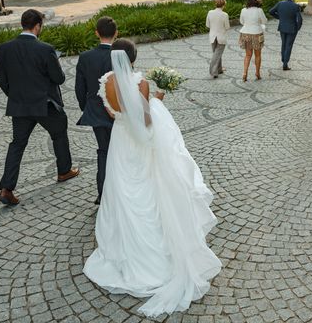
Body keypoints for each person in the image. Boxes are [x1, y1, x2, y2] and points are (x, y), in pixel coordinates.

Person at [84, 40, 222, 318]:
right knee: (148, 193)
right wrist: (157, 100)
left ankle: (123, 247)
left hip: (120, 144)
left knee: (123, 192)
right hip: (139, 146)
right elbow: (145, 121)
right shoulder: (139, 82)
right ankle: (157, 257)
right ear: (134, 57)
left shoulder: (106, 81)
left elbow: (116, 114)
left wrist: (139, 107)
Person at [0, 9, 79, 205]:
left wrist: (16, 97)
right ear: (38, 26)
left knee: (17, 144)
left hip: (20, 106)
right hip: (45, 105)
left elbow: (3, 81)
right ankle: (64, 171)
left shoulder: (5, 48)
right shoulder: (46, 49)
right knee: (59, 134)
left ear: (22, 25)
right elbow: (59, 78)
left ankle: (6, 189)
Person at [75, 16, 117, 205]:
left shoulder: (85, 58)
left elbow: (79, 89)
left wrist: (87, 107)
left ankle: (102, 194)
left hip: (95, 112)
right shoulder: (120, 57)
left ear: (96, 33)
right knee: (119, 151)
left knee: (103, 151)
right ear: (116, 33)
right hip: (118, 113)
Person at [269, 0, 303, 70]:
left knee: (283, 44)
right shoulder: (296, 6)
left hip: (282, 27)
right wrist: (298, 28)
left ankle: (283, 59)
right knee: (289, 45)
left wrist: (280, 18)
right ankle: (285, 63)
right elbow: (300, 19)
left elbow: (271, 11)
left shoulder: (280, 3)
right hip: (292, 29)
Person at [238, 0, 267, 81]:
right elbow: (264, 21)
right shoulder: (259, 10)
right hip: (257, 33)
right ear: (257, 2)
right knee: (257, 55)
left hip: (245, 33)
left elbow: (241, 21)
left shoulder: (243, 10)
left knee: (247, 55)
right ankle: (257, 73)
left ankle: (244, 73)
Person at [206, 0, 230, 78]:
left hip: (212, 36)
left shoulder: (210, 12)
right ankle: (213, 72)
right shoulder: (225, 15)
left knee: (217, 53)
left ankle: (219, 69)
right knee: (217, 55)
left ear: (215, 4)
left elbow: (207, 25)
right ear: (224, 5)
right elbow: (227, 27)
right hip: (221, 37)